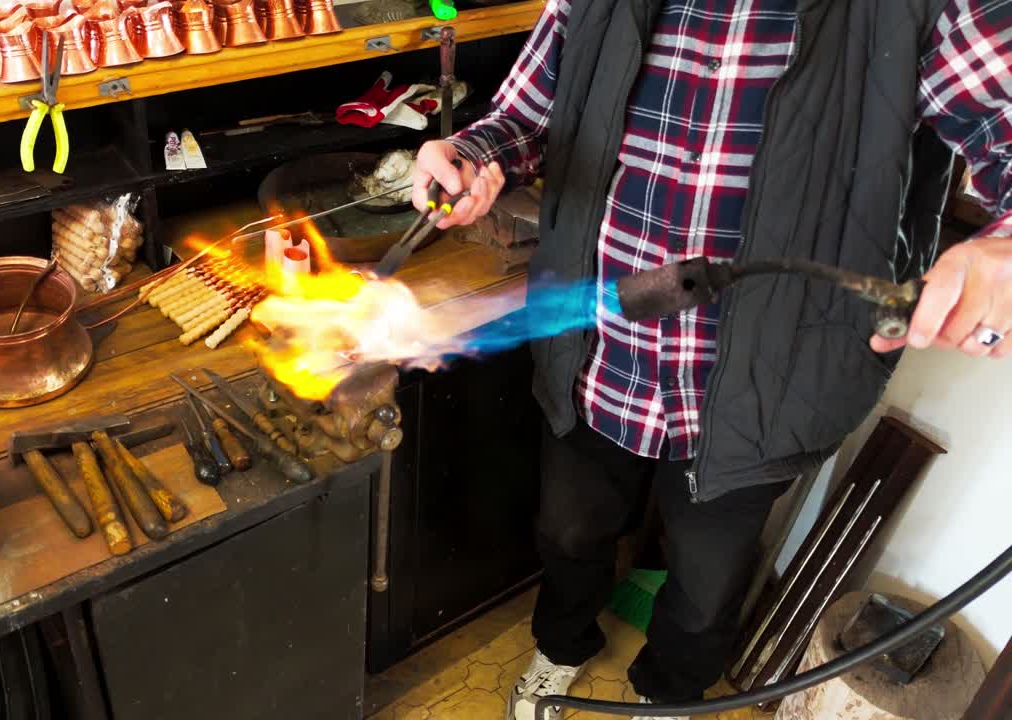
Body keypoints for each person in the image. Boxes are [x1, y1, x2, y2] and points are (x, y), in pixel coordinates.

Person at [410, 2, 1012, 719]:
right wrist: (474, 154)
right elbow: (526, 116)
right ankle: (562, 646)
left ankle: (668, 696)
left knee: (706, 584)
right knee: (568, 532)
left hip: (766, 387)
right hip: (599, 356)